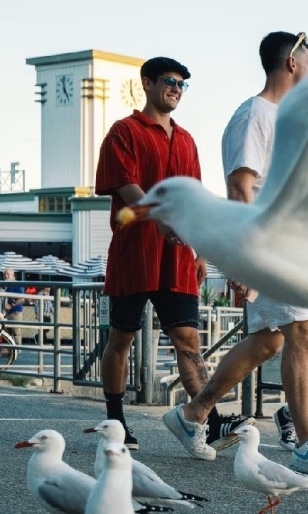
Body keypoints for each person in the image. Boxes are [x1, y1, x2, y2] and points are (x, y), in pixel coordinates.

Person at [157, 33, 308, 472]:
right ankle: (305, 444)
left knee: (268, 342)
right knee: (301, 333)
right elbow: (240, 185)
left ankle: (193, 413)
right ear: (292, 62)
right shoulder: (255, 114)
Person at [96, 55, 241, 452]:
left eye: (182, 84)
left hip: (177, 255)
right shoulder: (123, 131)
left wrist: (201, 249)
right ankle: (115, 418)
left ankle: (208, 422)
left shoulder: (187, 139)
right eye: (169, 81)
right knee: (121, 339)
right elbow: (125, 186)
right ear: (146, 83)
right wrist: (157, 217)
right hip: (133, 251)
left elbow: (192, 200)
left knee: (188, 339)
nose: (176, 88)